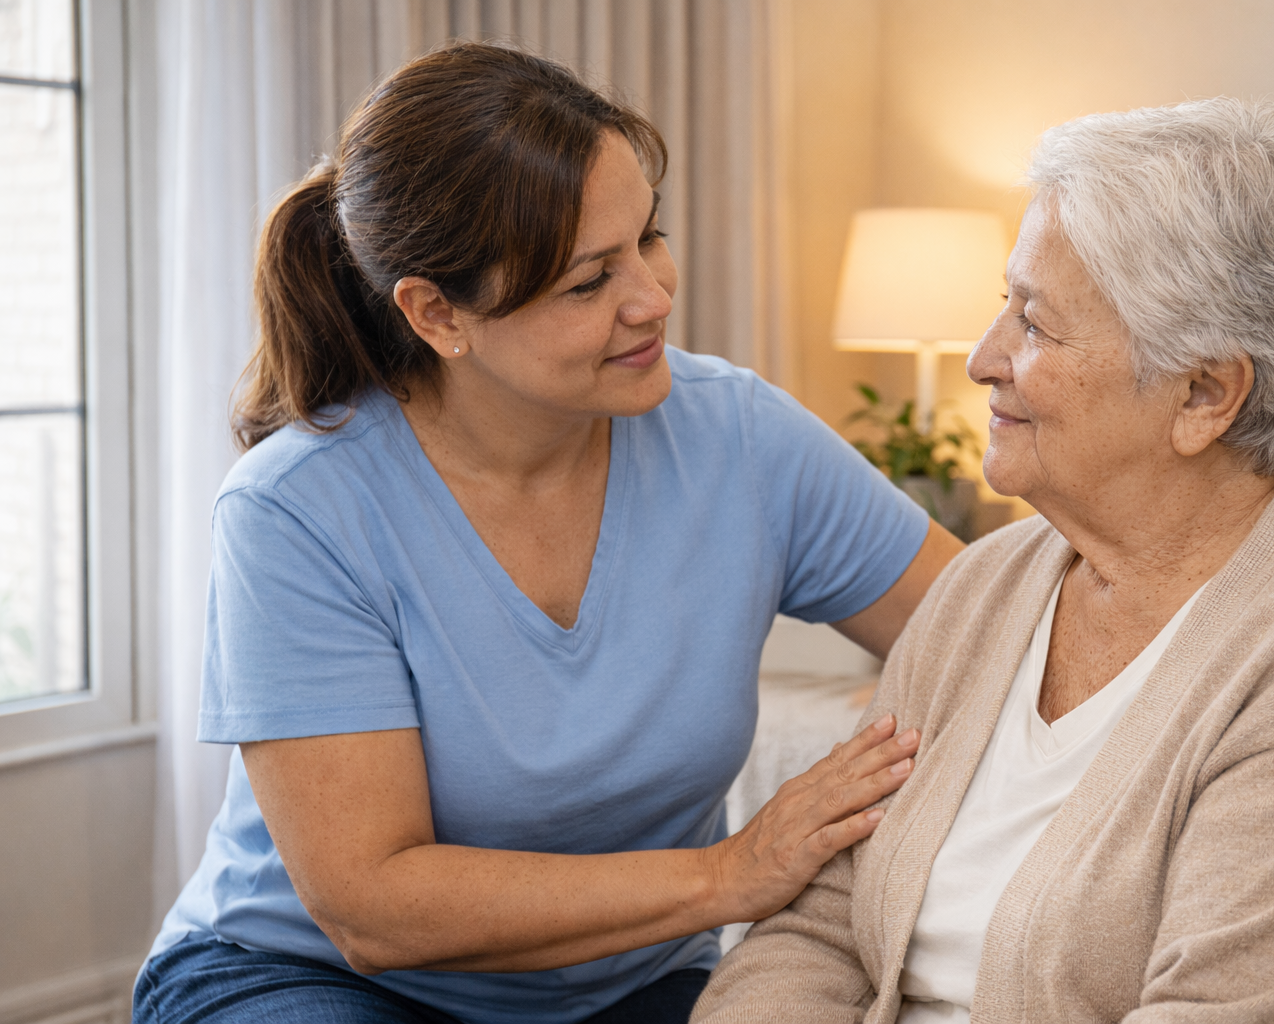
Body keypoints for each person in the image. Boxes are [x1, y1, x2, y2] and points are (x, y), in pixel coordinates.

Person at [133, 43, 961, 1024]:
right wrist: (728, 873)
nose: (652, 298)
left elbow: (988, 626)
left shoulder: (738, 436)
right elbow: (373, 905)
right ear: (438, 311)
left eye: (649, 239)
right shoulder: (296, 510)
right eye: (588, 281)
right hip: (317, 978)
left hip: (627, 981)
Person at [692, 98, 1274, 1024]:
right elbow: (818, 930)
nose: (982, 358)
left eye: (1037, 326)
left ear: (1204, 395)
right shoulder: (985, 587)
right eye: (1002, 305)